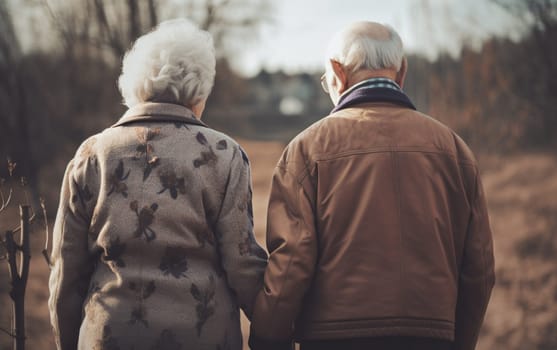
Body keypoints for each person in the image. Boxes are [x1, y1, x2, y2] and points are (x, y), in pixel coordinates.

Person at [249, 21, 495, 350]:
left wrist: (268, 339)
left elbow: (292, 260)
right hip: (431, 337)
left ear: (338, 72)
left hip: (335, 339)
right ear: (401, 71)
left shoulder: (306, 150)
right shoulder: (453, 149)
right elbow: (478, 267)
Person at [48, 19, 267, 350]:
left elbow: (66, 273)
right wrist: (273, 331)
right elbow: (243, 263)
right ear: (199, 89)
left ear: (134, 85)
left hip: (109, 337)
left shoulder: (92, 154)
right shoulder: (224, 154)